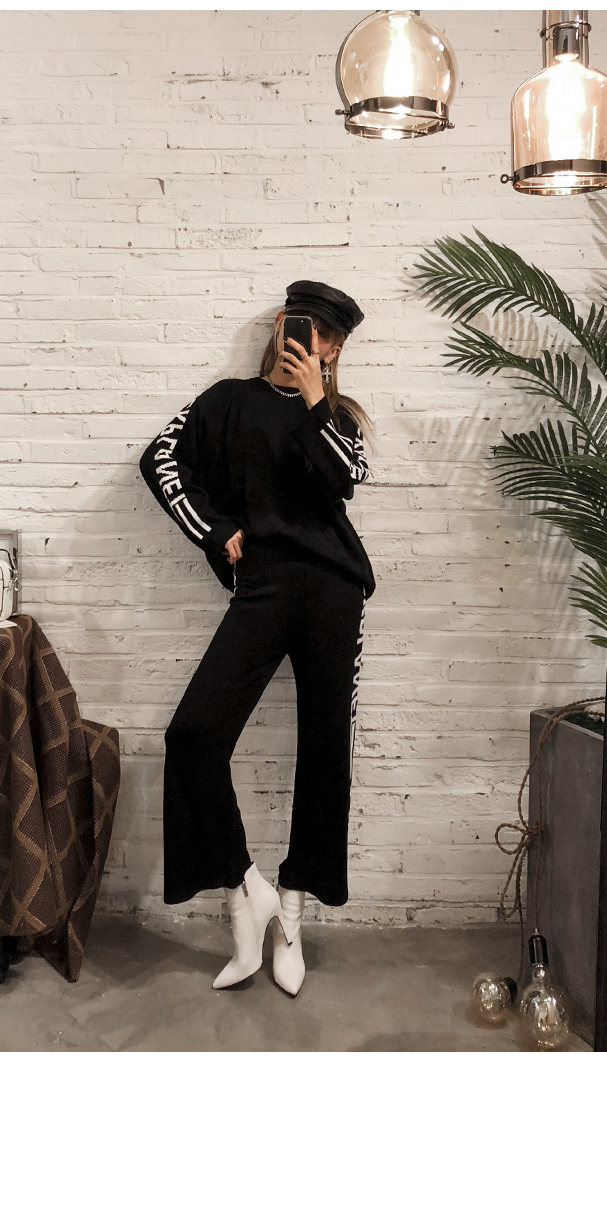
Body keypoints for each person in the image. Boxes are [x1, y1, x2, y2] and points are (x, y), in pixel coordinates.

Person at [139, 279, 375, 996]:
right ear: (281, 324)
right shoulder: (225, 401)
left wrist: (315, 402)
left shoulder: (338, 417)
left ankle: (292, 913)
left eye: (330, 338)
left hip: (333, 591)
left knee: (324, 751)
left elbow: (345, 479)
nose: (315, 342)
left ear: (335, 352)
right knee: (193, 734)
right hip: (264, 586)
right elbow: (159, 459)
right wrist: (214, 530)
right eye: (306, 326)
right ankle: (246, 897)